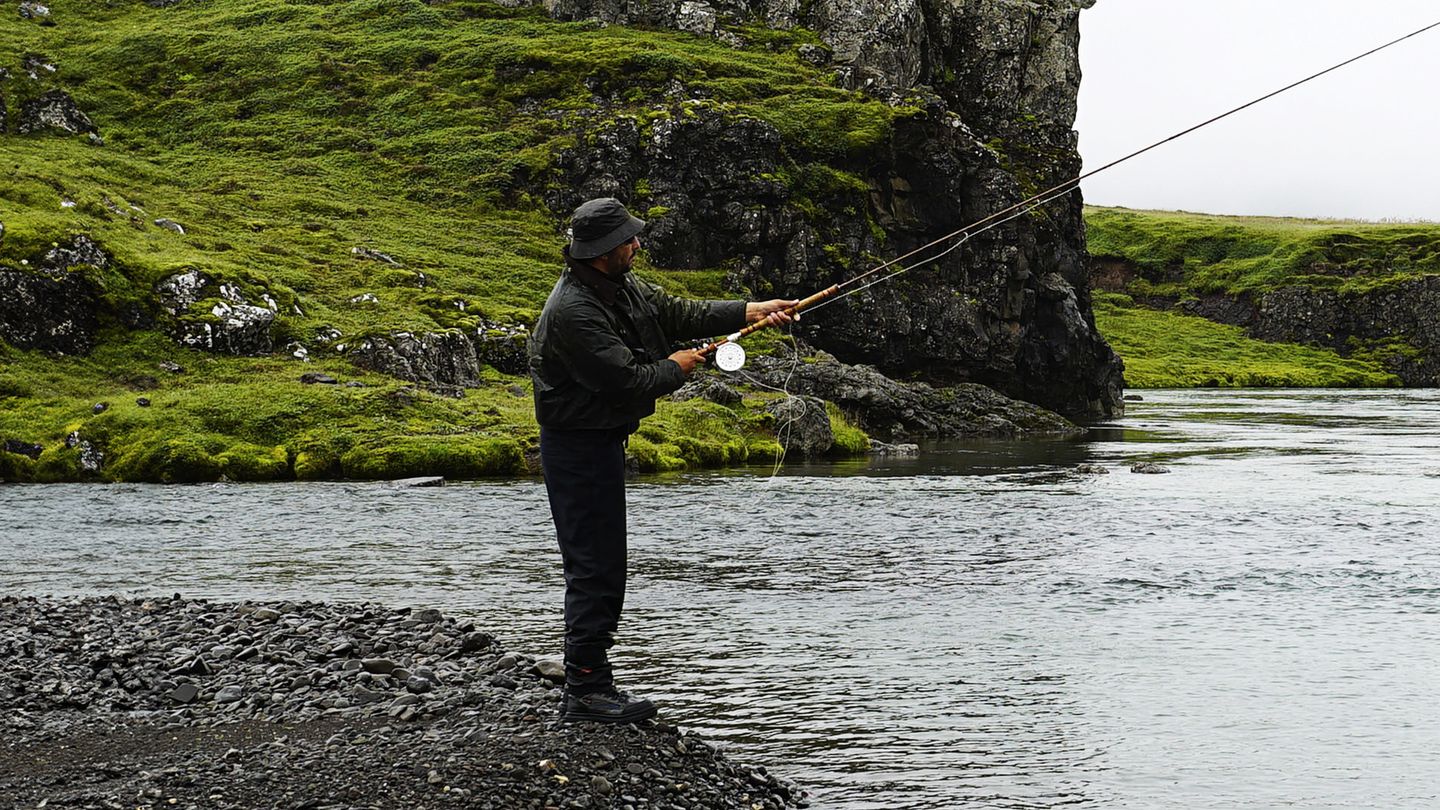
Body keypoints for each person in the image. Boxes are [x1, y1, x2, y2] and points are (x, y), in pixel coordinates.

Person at [529, 197, 796, 723]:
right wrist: (676, 366)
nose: (637, 244)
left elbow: (678, 313)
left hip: (597, 439)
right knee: (595, 566)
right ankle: (584, 688)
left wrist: (751, 311)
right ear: (603, 251)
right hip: (577, 446)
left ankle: (588, 677)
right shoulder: (574, 312)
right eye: (628, 239)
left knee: (603, 563)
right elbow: (629, 381)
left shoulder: (615, 283)